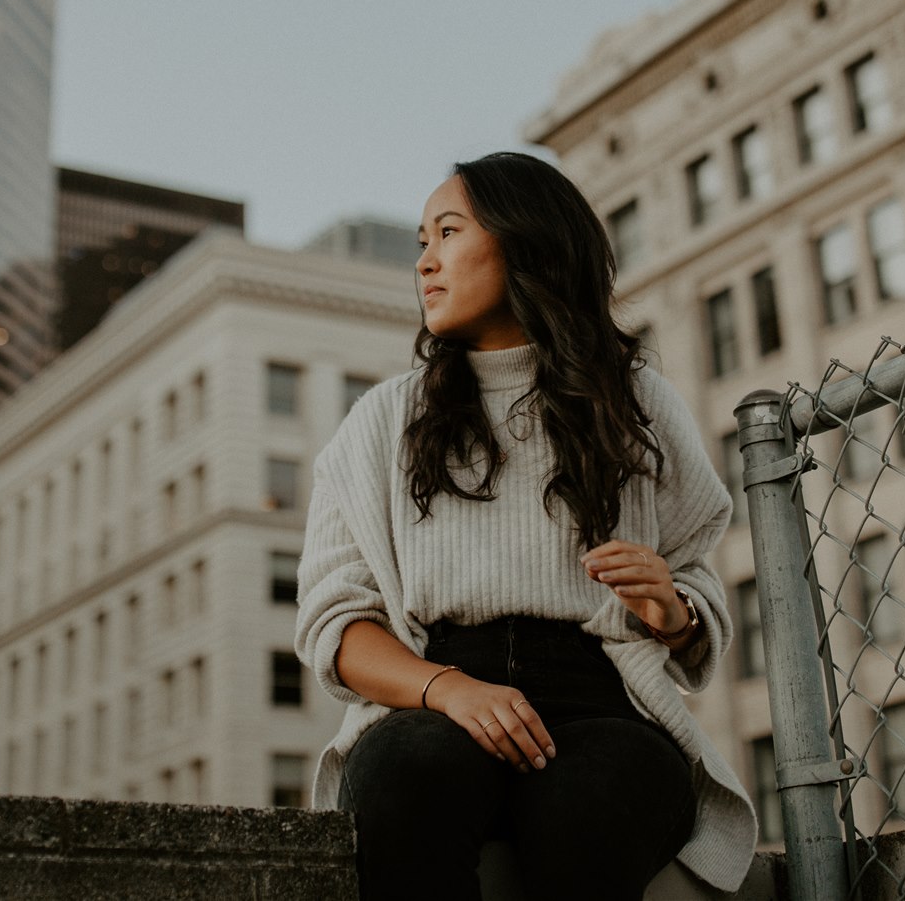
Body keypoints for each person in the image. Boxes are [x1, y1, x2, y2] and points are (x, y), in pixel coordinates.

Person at [294, 152, 757, 901]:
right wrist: (449, 688)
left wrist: (674, 610)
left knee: (589, 808)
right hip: (434, 693)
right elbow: (336, 625)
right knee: (404, 775)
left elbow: (699, 572)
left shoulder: (635, 401)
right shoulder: (381, 420)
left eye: (448, 232)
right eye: (421, 241)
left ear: (527, 241)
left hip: (604, 699)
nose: (426, 261)